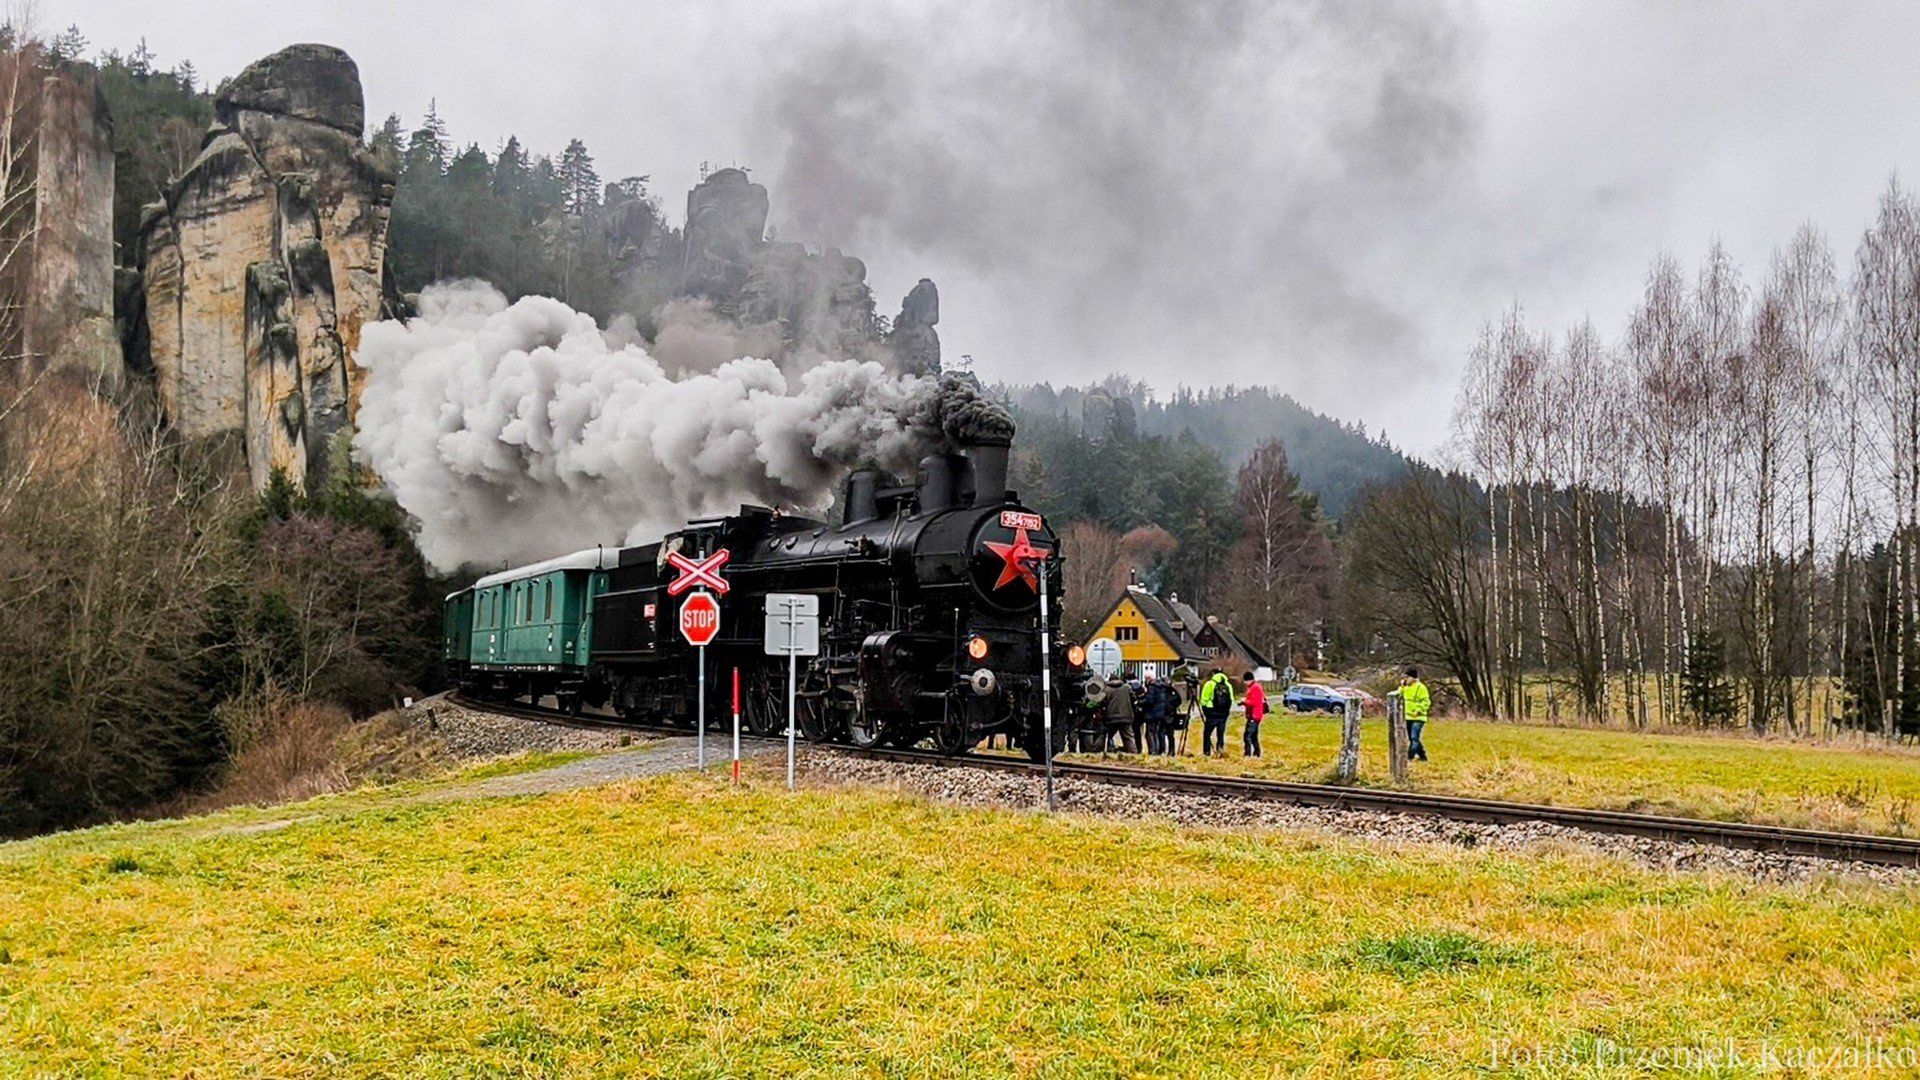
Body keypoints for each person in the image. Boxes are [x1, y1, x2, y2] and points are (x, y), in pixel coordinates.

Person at [1393, 667, 1431, 761]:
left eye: (1407, 677)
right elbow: (1398, 694)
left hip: (1418, 717)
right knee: (1413, 738)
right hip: (1408, 717)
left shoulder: (1421, 688)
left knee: (1414, 737)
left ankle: (1409, 757)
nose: (1406, 679)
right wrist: (1402, 686)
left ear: (1413, 678)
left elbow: (1426, 702)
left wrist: (1418, 710)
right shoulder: (1406, 688)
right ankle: (1423, 756)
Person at [1199, 669, 1234, 757]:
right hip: (1224, 713)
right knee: (1220, 733)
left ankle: (1207, 753)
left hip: (1212, 713)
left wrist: (1206, 711)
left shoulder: (1209, 684)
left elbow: (1204, 700)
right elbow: (1231, 700)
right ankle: (1220, 750)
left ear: (1213, 674)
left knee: (1207, 734)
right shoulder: (1228, 685)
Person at [1102, 673, 1139, 753]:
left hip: (1111, 717)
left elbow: (1102, 702)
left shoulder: (1106, 689)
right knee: (1129, 737)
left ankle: (1105, 750)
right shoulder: (1127, 687)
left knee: (1107, 735)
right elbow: (1134, 699)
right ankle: (1133, 753)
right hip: (1126, 716)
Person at [1139, 673, 1170, 754]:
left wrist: (1140, 702)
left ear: (1148, 679)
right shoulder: (1161, 686)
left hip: (1152, 714)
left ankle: (1153, 751)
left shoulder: (1152, 687)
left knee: (1150, 734)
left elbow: (1149, 701)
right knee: (1156, 733)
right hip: (1160, 713)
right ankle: (1158, 750)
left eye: (1146, 679)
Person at [1241, 672, 1267, 757]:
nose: (1244, 683)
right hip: (1255, 714)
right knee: (1253, 736)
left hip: (1254, 714)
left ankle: (1247, 754)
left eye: (1245, 681)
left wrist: (1244, 701)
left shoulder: (1254, 687)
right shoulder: (1254, 687)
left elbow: (1254, 702)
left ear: (1248, 680)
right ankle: (1256, 753)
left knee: (1247, 735)